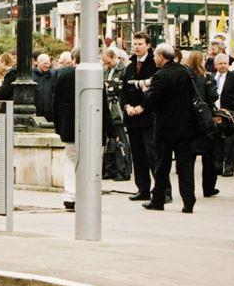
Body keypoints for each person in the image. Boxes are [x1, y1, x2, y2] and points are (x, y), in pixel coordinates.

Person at [126, 43, 196, 212]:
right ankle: (188, 201)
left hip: (166, 127)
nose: (154, 58)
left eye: (156, 56)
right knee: (185, 166)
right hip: (186, 126)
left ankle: (158, 200)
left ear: (161, 57)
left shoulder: (160, 75)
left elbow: (152, 99)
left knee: (162, 165)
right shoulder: (185, 71)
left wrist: (140, 105)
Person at [51, 48, 112, 211]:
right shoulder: (95, 77)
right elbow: (103, 106)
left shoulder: (63, 77)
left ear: (74, 59)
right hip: (93, 128)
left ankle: (71, 195)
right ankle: (89, 195)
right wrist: (110, 131)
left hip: (69, 128)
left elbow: (55, 104)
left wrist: (59, 127)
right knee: (92, 162)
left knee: (71, 161)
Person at [121, 32, 171, 203]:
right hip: (132, 117)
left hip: (150, 118)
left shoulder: (155, 64)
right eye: (134, 43)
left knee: (154, 155)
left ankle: (164, 191)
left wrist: (143, 107)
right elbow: (124, 91)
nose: (136, 47)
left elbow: (157, 91)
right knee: (138, 156)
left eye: (140, 44)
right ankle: (142, 189)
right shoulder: (130, 65)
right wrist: (127, 107)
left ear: (148, 45)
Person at [182, 51, 220, 197]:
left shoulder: (186, 77)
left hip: (189, 120)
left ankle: (188, 190)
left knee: (188, 158)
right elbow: (213, 96)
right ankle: (208, 188)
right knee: (209, 156)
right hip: (205, 119)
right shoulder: (207, 77)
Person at [211, 52, 234, 177]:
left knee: (230, 141)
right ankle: (217, 166)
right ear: (215, 65)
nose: (223, 66)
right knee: (217, 141)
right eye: (220, 64)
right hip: (215, 112)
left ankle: (229, 168)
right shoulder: (212, 77)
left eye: (225, 63)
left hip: (229, 113)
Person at [101, 47, 132, 181]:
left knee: (120, 137)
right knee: (110, 139)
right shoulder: (106, 69)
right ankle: (110, 167)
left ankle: (123, 168)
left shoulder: (123, 69)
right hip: (108, 105)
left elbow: (125, 89)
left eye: (108, 62)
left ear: (114, 57)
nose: (106, 65)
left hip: (117, 106)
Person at [32, 53, 56, 122]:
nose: (47, 65)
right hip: (36, 111)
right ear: (38, 63)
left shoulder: (53, 75)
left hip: (50, 113)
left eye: (49, 63)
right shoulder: (31, 75)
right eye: (45, 63)